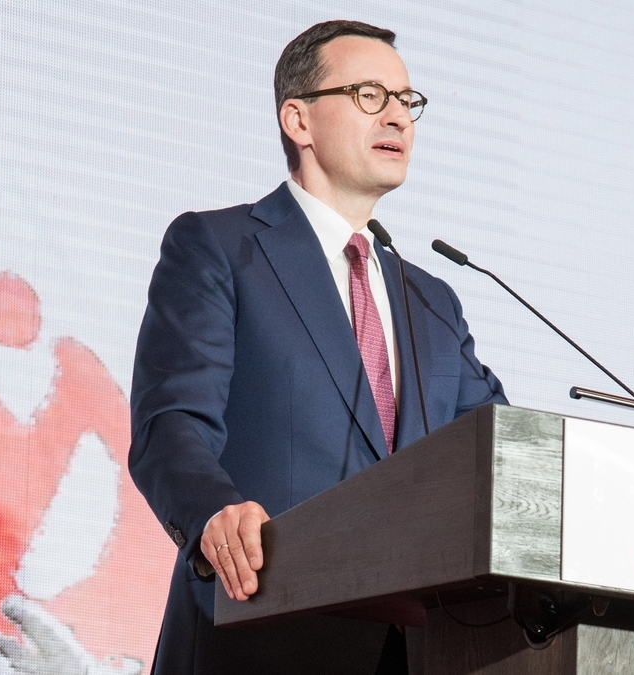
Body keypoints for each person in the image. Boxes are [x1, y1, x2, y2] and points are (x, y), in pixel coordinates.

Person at [128, 19, 507, 675]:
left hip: (417, 646)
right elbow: (172, 423)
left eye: (407, 100)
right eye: (370, 95)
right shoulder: (221, 249)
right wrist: (214, 513)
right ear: (298, 120)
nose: (398, 116)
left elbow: (498, 448)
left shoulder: (431, 300)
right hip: (261, 626)